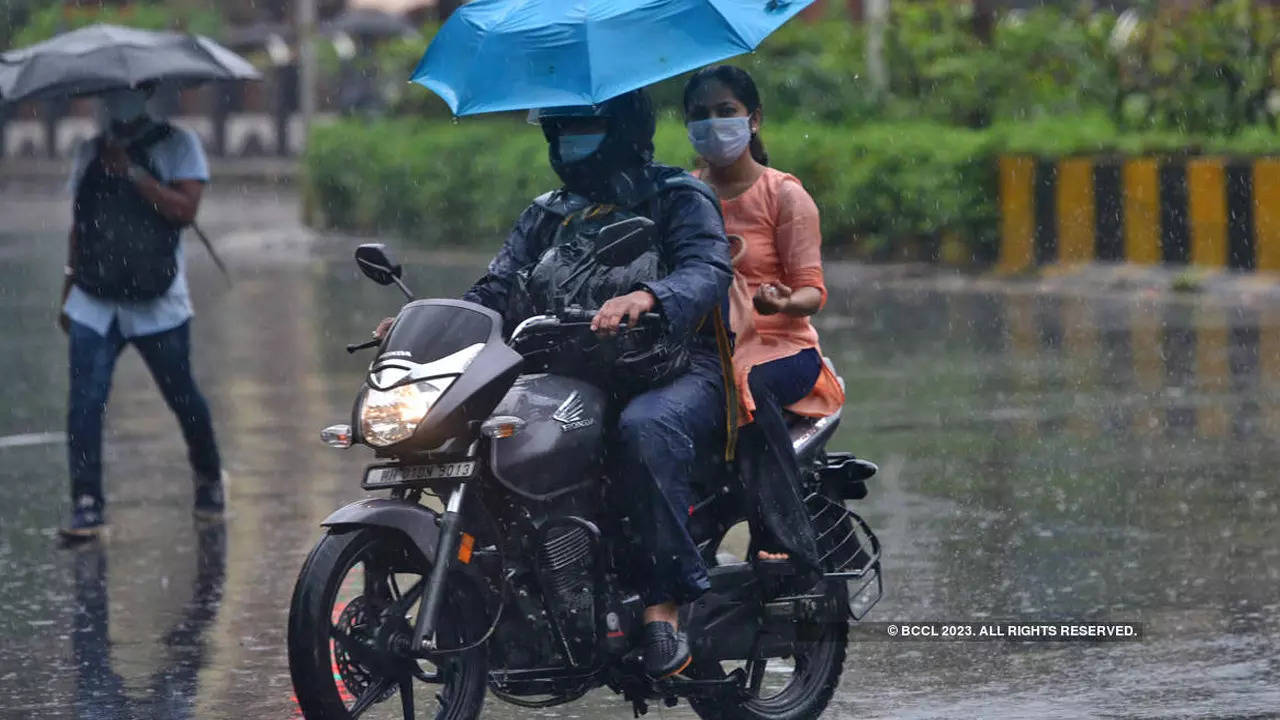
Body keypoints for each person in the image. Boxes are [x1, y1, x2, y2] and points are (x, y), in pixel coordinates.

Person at [377, 89, 732, 678]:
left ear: (621, 127)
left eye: (584, 125)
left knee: (643, 433)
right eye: (561, 127)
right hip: (569, 366)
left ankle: (663, 612)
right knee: (485, 436)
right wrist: (429, 328)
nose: (569, 139)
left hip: (671, 367)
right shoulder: (548, 212)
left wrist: (651, 296)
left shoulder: (678, 196)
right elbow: (496, 288)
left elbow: (708, 269)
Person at [683, 65, 845, 568]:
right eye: (700, 116)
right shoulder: (684, 194)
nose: (713, 125)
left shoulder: (784, 195)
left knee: (744, 387)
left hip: (781, 348)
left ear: (753, 120)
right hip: (705, 347)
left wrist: (781, 302)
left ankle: (779, 537)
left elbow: (812, 293)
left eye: (725, 112)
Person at [57, 85, 224, 540]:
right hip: (94, 299)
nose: (116, 103)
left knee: (183, 396)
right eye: (109, 95)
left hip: (157, 302)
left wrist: (132, 173)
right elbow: (81, 222)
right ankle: (87, 503)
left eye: (125, 94)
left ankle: (208, 479)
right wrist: (68, 290)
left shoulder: (178, 144)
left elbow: (186, 210)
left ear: (146, 94)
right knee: (85, 404)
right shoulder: (89, 150)